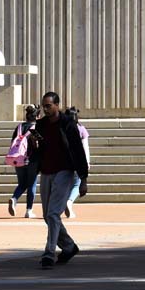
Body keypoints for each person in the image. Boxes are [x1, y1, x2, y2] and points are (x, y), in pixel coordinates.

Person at [28, 91, 88, 268]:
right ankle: (69, 246)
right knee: (48, 216)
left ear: (57, 105)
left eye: (49, 105)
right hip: (46, 172)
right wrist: (34, 145)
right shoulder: (41, 125)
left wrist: (83, 178)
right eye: (44, 106)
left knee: (53, 214)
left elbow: (78, 151)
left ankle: (49, 252)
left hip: (64, 171)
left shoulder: (68, 124)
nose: (46, 109)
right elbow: (37, 152)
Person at [7, 104, 40, 219]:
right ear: (38, 116)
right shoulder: (37, 128)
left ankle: (14, 198)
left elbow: (13, 142)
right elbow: (41, 145)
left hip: (18, 158)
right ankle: (29, 210)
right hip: (32, 160)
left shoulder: (19, 127)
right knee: (31, 184)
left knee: (22, 184)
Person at [63, 107, 90, 219]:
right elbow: (85, 147)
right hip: (77, 160)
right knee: (76, 184)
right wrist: (87, 162)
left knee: (65, 184)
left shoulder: (62, 128)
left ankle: (60, 204)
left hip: (63, 161)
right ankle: (69, 202)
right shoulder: (81, 129)